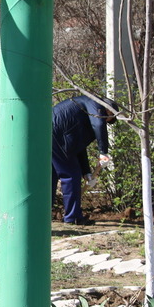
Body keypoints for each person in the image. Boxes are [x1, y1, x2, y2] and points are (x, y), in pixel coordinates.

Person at [52, 95, 117, 225]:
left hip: (50, 135)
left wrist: (86, 172)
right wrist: (103, 152)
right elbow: (98, 123)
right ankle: (73, 218)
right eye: (109, 119)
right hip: (57, 137)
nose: (106, 123)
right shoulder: (95, 104)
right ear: (109, 110)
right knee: (71, 176)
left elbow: (79, 148)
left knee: (50, 177)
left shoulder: (82, 119)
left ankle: (42, 213)